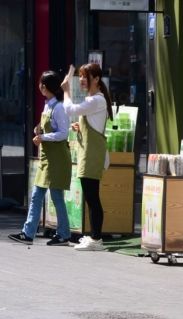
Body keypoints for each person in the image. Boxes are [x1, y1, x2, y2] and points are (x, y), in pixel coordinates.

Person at [8, 71, 72, 246]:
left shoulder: (58, 108)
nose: (40, 86)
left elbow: (63, 134)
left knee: (55, 196)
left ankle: (61, 234)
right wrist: (39, 130)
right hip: (47, 158)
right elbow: (49, 128)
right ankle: (31, 233)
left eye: (42, 83)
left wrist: (42, 137)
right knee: (38, 195)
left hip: (57, 159)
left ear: (48, 86)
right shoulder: (48, 106)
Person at [61, 63, 113, 251]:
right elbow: (91, 124)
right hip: (89, 152)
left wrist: (66, 91)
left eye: (85, 76)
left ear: (97, 79)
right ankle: (93, 236)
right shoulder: (94, 99)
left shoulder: (96, 100)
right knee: (91, 196)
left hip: (92, 154)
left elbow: (69, 110)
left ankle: (97, 239)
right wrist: (79, 127)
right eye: (81, 76)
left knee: (92, 196)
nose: (82, 80)